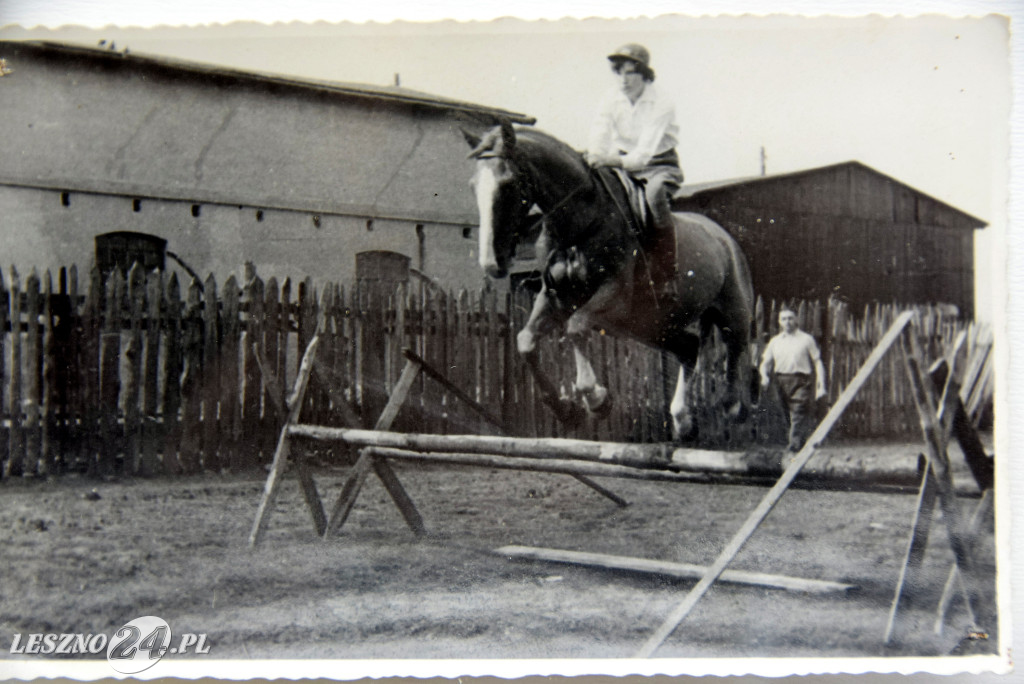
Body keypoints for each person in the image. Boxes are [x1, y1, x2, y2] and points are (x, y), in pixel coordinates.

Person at [585, 43, 684, 237]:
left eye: (630, 73)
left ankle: (668, 254)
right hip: (621, 163)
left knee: (654, 195)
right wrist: (595, 153)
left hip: (658, 165)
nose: (623, 80)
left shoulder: (662, 102)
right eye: (619, 73)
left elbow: (642, 155)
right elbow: (600, 128)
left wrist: (607, 160)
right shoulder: (610, 97)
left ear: (644, 75)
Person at [759, 307, 828, 452]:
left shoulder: (806, 339)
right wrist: (764, 376)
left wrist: (821, 384)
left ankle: (794, 447)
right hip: (781, 380)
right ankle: (798, 442)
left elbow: (817, 361)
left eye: (790, 318)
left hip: (801, 380)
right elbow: (766, 363)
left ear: (796, 320)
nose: (787, 322)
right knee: (786, 414)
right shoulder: (775, 341)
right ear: (779, 322)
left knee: (798, 410)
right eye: (784, 319)